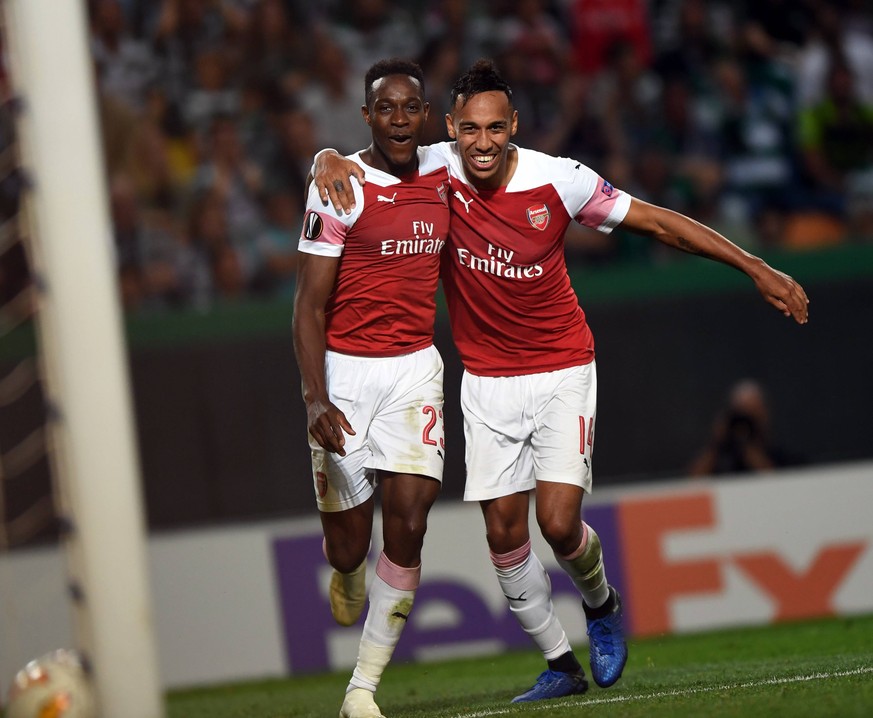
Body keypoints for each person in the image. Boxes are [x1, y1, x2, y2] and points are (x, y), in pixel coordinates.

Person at [313, 59, 809, 705]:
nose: (481, 142)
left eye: (494, 128)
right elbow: (371, 152)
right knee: (501, 535)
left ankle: (600, 604)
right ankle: (557, 662)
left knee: (557, 522)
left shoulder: (561, 180)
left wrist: (752, 266)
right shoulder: (435, 166)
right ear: (452, 129)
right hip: (485, 382)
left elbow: (657, 222)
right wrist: (325, 155)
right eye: (468, 129)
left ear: (514, 125)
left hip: (559, 369)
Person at [292, 58, 450, 718]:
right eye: (384, 108)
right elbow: (307, 307)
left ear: (424, 113)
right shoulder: (340, 187)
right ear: (367, 117)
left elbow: (498, 148)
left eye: (409, 107)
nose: (397, 119)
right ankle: (348, 569)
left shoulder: (448, 168)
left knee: (409, 522)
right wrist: (315, 398)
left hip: (415, 368)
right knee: (350, 544)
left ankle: (362, 689)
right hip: (346, 377)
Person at [689, 379, 801, 477]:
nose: (746, 421)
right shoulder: (720, 459)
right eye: (741, 413)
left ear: (764, 415)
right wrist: (716, 442)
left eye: (752, 413)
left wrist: (749, 449)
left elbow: (779, 484)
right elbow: (691, 485)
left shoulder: (781, 456)